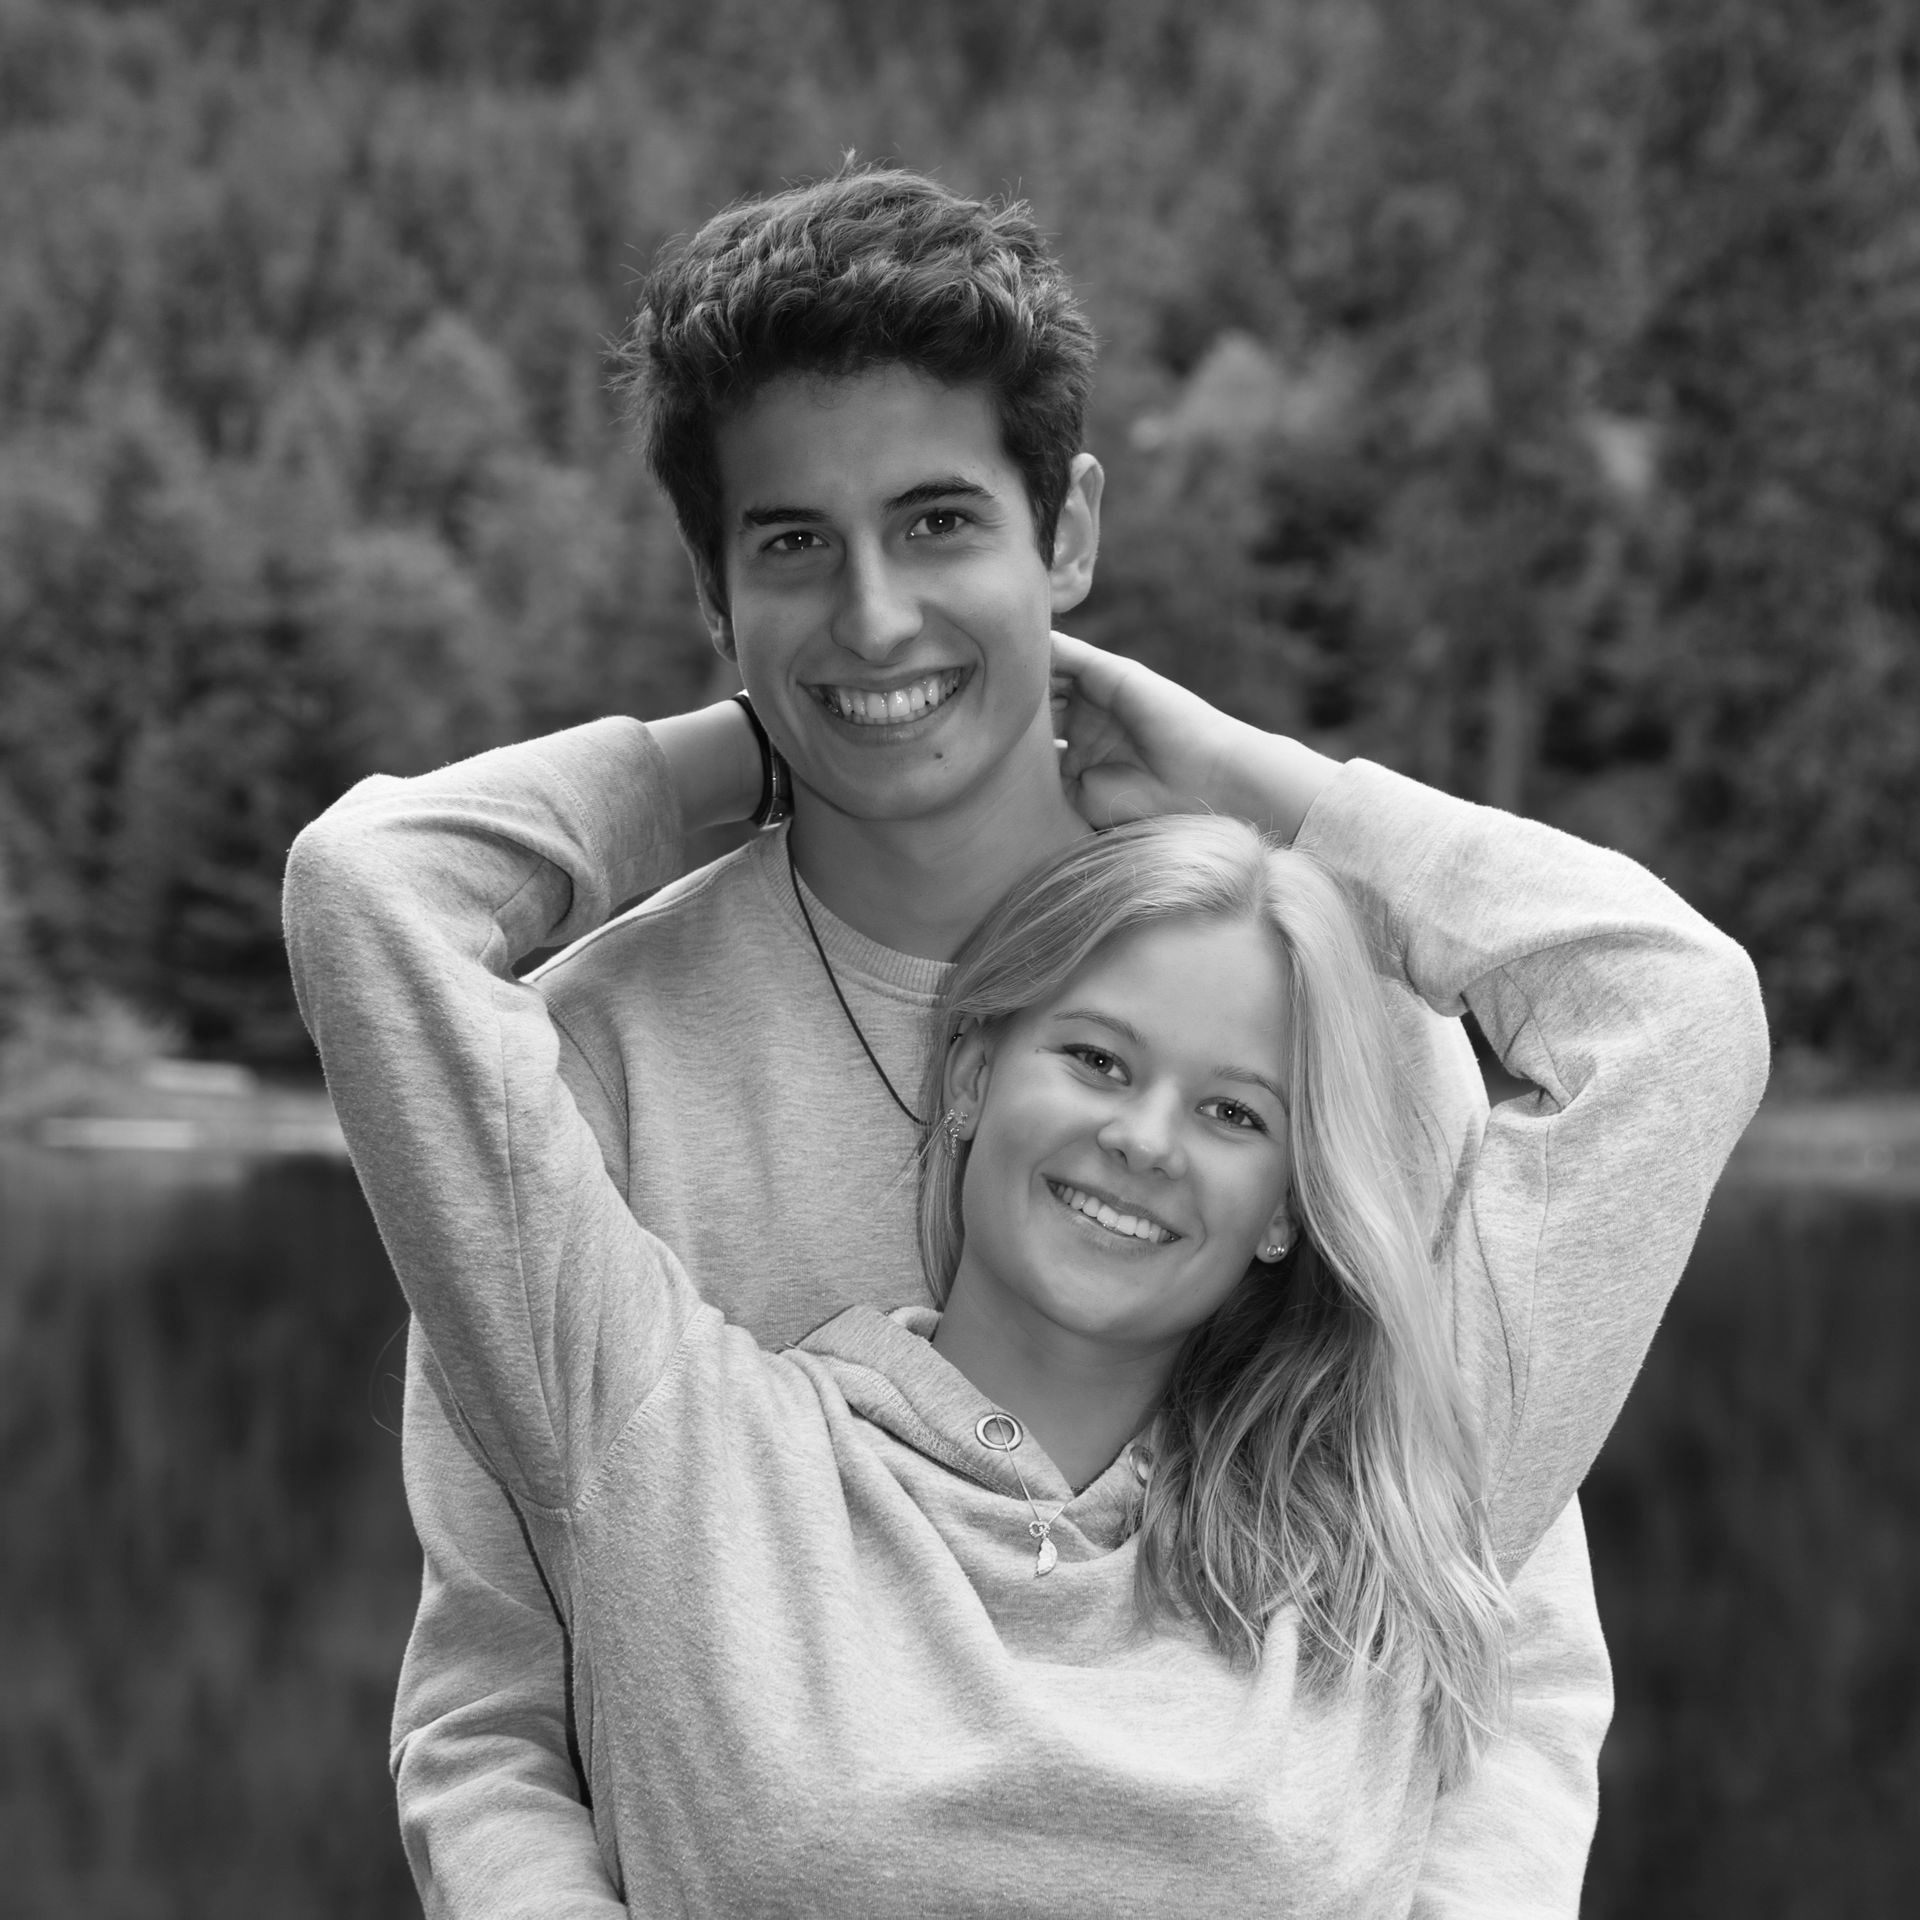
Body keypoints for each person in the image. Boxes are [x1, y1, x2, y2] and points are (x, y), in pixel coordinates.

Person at [375, 167, 1618, 1916]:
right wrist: (717, 768)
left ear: (1068, 535)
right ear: (714, 599)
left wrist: (1286, 797)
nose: (876, 616)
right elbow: (495, 1713)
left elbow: (1502, 1653)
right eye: (793, 546)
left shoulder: (1336, 1025)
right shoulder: (586, 1066)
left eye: (940, 522)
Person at [284, 690, 1768, 1914]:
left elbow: (1677, 1013)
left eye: (1235, 1114)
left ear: (1285, 1209)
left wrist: (1266, 787)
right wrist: (772, 749)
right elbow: (371, 890)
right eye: (1100, 1061)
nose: (1145, 1140)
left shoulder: (1375, 1516)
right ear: (977, 1077)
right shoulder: (675, 1439)